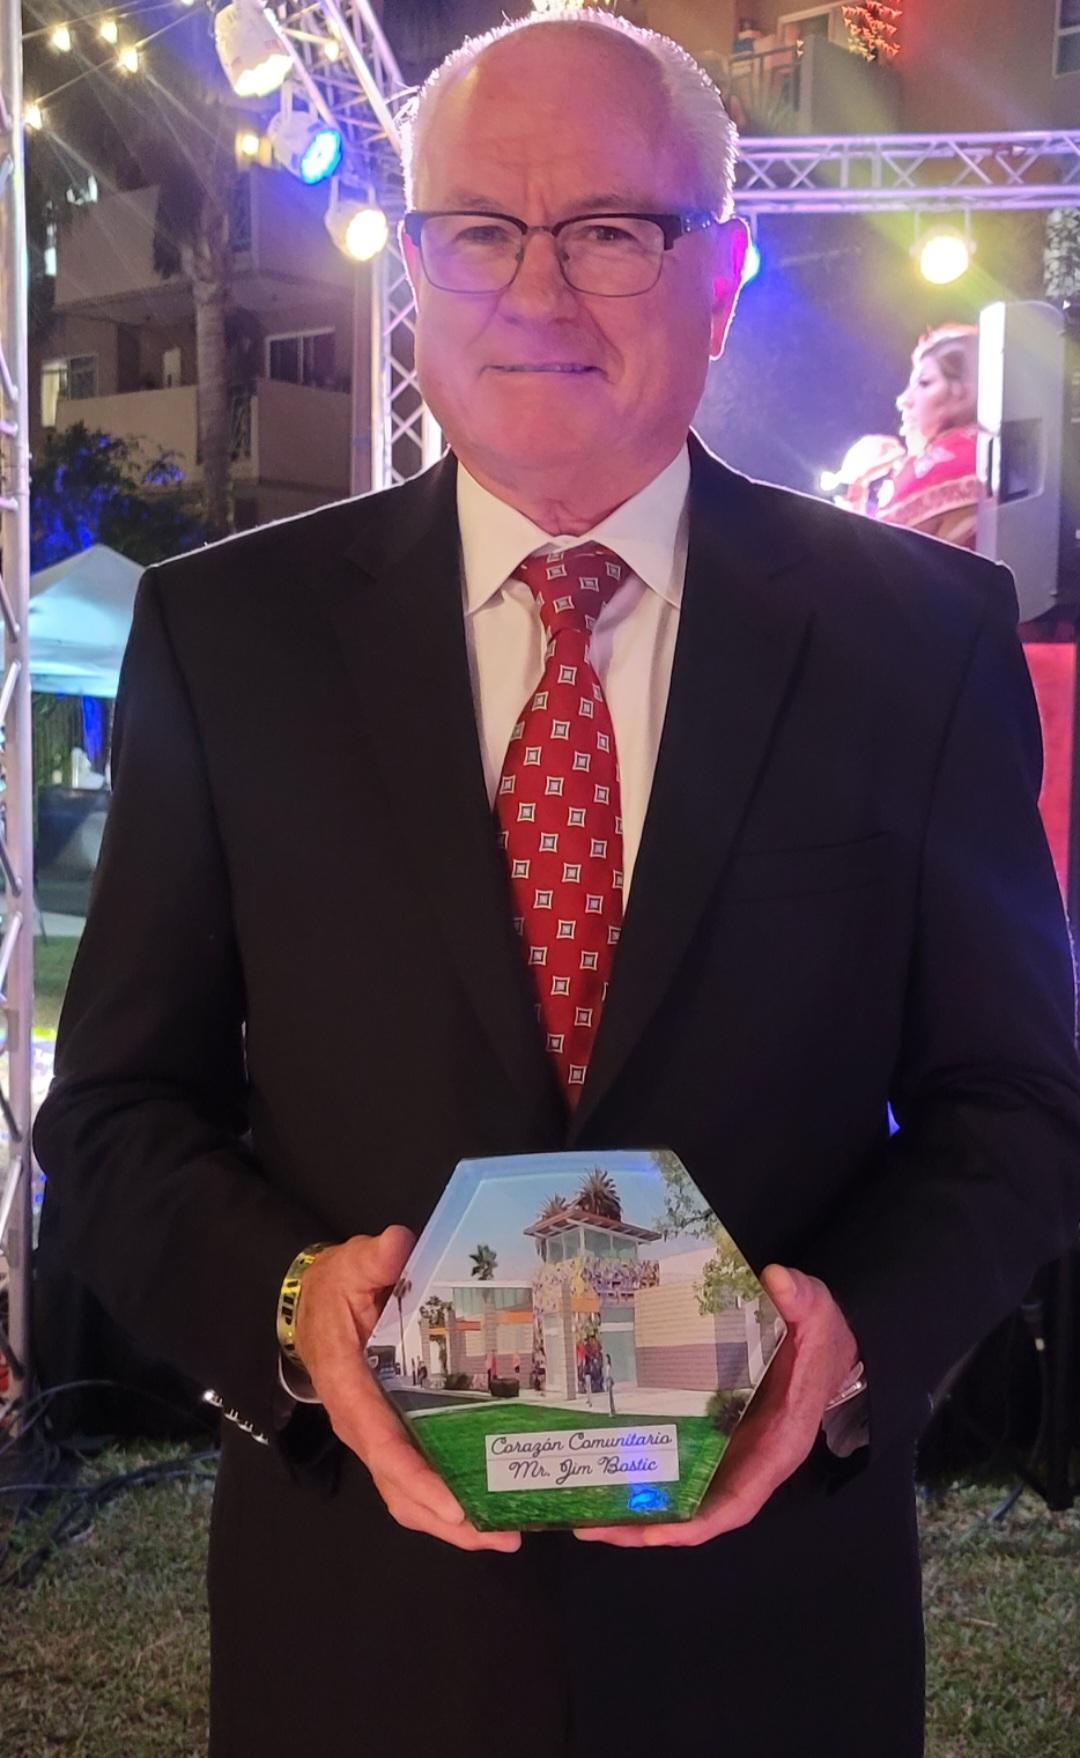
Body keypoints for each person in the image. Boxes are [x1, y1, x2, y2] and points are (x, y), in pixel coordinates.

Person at [33, 14, 1080, 1758]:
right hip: (362, 1629)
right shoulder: (229, 640)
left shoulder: (921, 640)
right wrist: (293, 1305)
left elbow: (1018, 1103)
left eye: (609, 229)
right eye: (479, 231)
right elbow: (122, 1105)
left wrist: (855, 1334)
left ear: (721, 273)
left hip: (772, 1633)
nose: (536, 289)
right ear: (416, 261)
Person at [876, 324, 981, 546]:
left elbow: (866, 551)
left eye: (924, 383)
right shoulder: (983, 451)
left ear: (965, 393)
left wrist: (855, 486)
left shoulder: (946, 462)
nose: (904, 400)